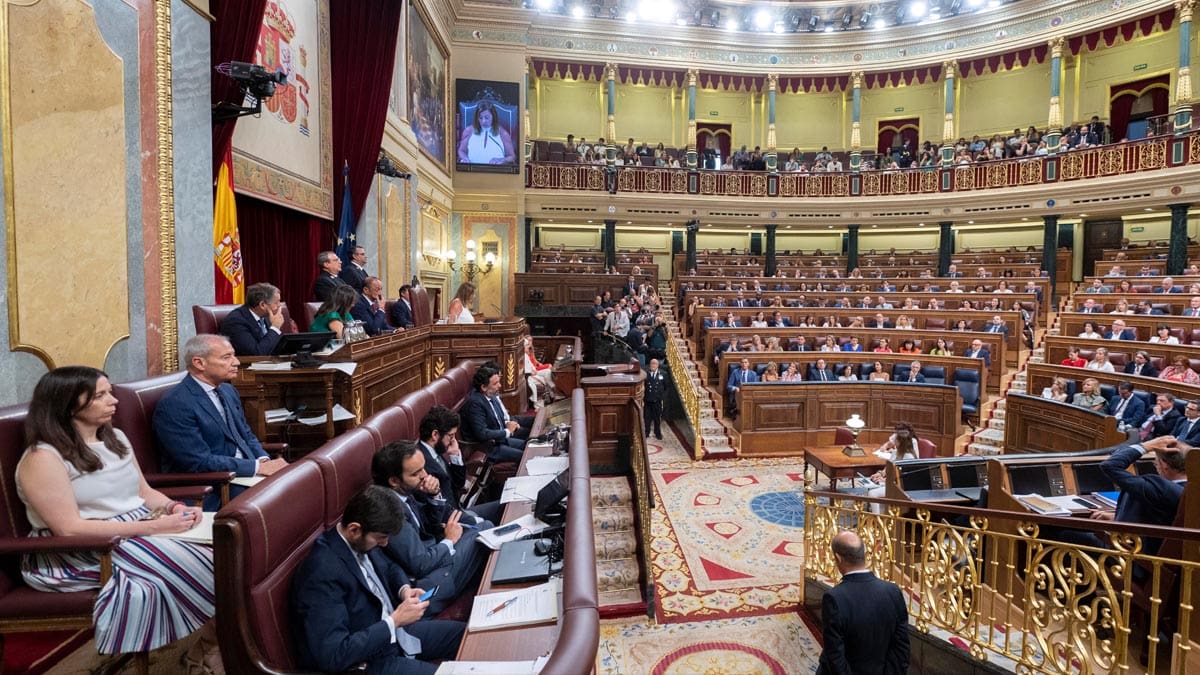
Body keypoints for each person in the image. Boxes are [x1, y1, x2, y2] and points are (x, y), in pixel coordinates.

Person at [17, 366, 218, 664]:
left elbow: (145, 493)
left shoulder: (117, 437)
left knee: (233, 545)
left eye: (110, 391)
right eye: (100, 395)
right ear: (68, 403)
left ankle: (211, 643)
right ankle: (209, 651)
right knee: (214, 563)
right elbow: (68, 529)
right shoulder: (43, 457)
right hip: (84, 549)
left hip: (139, 527)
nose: (114, 400)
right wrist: (155, 528)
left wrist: (175, 507)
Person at [290, 486, 465, 674]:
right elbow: (334, 655)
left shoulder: (359, 539)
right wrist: (394, 621)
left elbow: (389, 567)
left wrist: (404, 589)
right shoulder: (321, 573)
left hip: (394, 635)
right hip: (368, 661)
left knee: (466, 635)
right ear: (354, 529)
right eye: (381, 538)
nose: (385, 544)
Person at [153, 335, 288, 510]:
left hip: (245, 475)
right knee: (283, 501)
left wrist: (263, 459)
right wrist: (256, 467)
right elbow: (198, 462)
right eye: (226, 357)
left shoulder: (228, 390)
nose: (237, 362)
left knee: (304, 486)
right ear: (199, 363)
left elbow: (245, 434)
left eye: (234, 355)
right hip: (216, 486)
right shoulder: (176, 404)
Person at [372, 441, 490, 616]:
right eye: (416, 473)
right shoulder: (388, 509)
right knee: (484, 532)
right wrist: (450, 540)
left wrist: (434, 495)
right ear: (394, 481)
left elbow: (429, 527)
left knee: (481, 528)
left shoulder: (404, 493)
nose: (425, 475)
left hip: (435, 556)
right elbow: (420, 564)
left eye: (423, 468)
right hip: (427, 585)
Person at [816, 531, 909, 675]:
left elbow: (835, 656)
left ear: (838, 558)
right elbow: (901, 649)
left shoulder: (834, 598)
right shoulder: (893, 591)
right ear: (863, 555)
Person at [219, 282, 288, 356]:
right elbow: (257, 353)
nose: (279, 305)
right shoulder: (235, 322)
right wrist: (275, 328)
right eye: (276, 302)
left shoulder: (267, 316)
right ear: (262, 305)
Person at [457, 100, 514, 165]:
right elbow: (461, 151)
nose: (483, 121)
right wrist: (465, 158)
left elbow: (512, 157)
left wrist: (502, 160)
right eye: (480, 118)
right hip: (472, 171)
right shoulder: (469, 131)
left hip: (495, 172)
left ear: (493, 117)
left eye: (487, 118)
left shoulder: (503, 134)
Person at [643, 358, 667, 440]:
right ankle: (646, 432)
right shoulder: (645, 374)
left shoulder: (663, 374)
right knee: (647, 418)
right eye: (651, 364)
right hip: (648, 401)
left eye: (654, 364)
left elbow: (666, 387)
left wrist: (661, 397)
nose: (653, 365)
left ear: (657, 365)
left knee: (657, 418)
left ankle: (657, 433)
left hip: (657, 401)